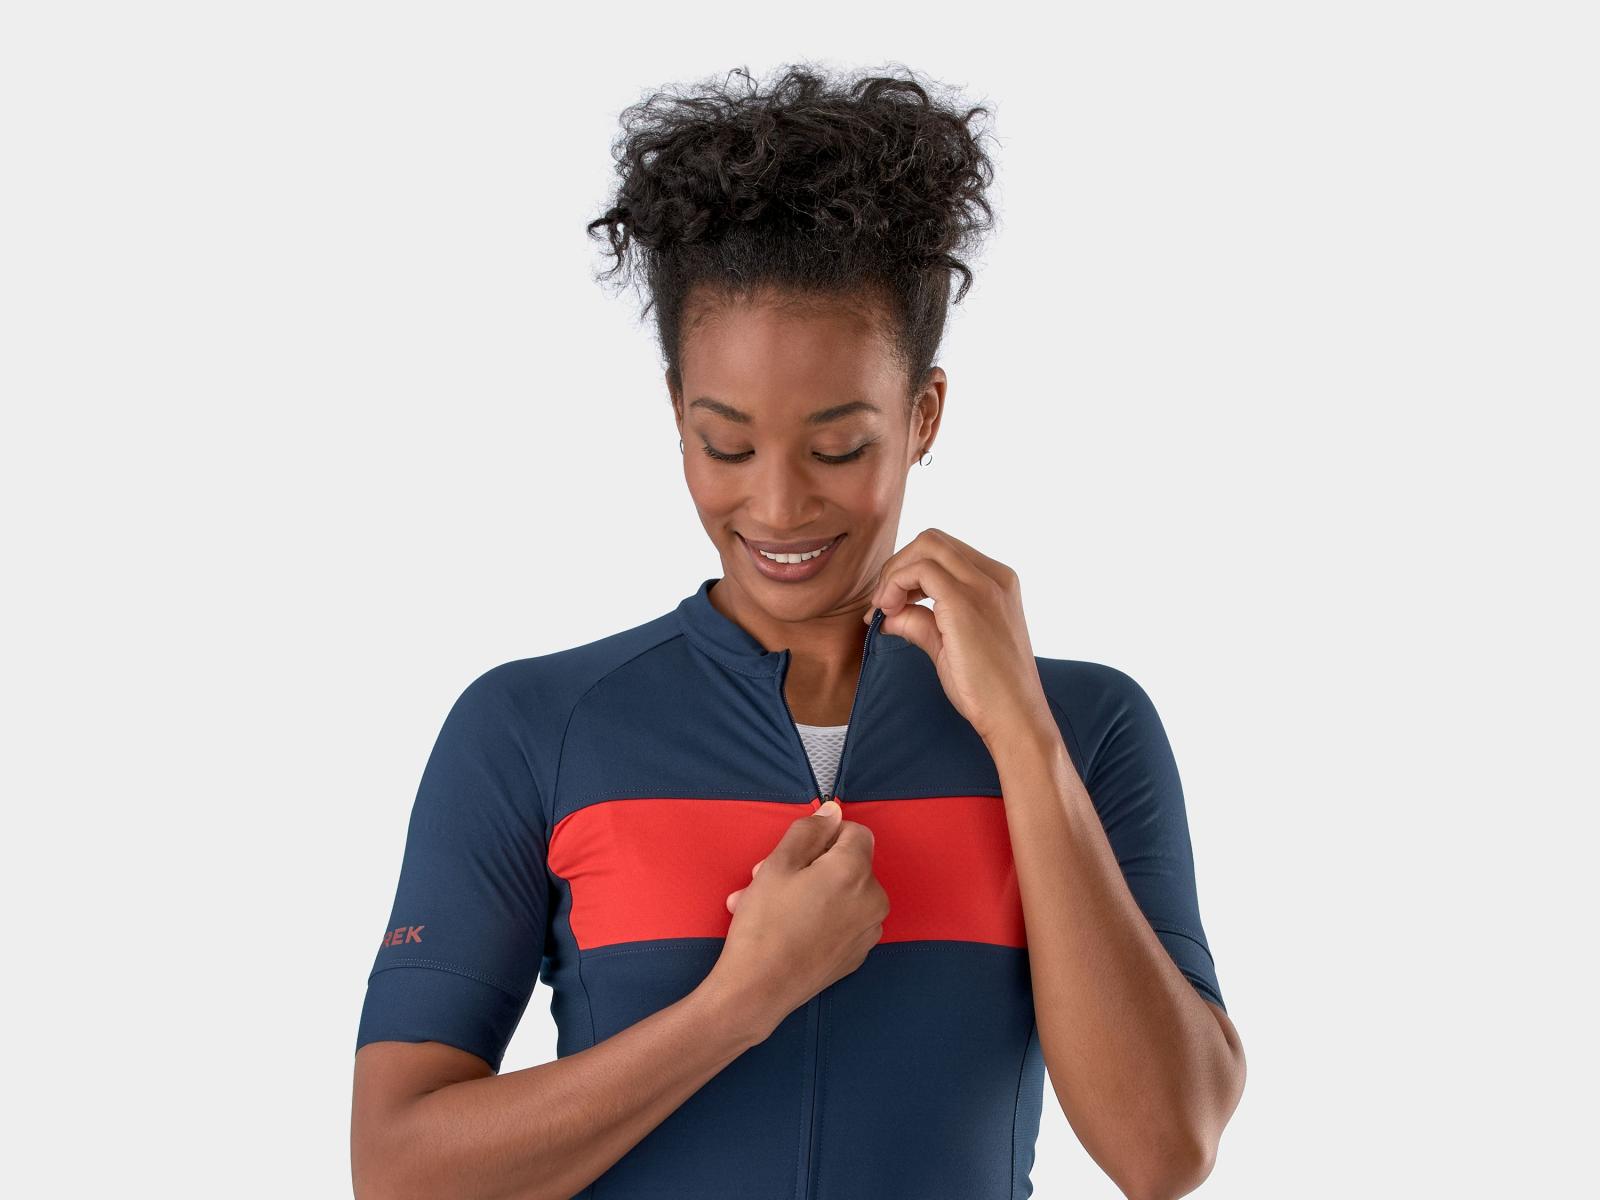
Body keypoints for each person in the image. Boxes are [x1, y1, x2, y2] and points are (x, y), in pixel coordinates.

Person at [351, 62, 1245, 1200]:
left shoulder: (1083, 726)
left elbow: (1165, 1150)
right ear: (676, 412)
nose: (776, 507)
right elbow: (399, 1170)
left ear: (922, 415)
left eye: (838, 448)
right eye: (725, 445)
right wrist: (740, 1001)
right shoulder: (532, 728)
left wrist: (1024, 739)